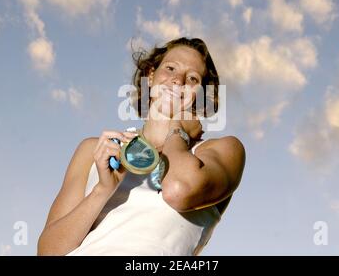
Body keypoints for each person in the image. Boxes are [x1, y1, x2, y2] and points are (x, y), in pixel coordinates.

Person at [37, 37, 246, 255]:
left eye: (192, 78)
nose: (178, 80)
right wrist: (103, 190)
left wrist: (178, 130)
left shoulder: (220, 151)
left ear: (201, 96)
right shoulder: (96, 150)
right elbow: (48, 252)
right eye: (171, 68)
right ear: (151, 75)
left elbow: (178, 190)